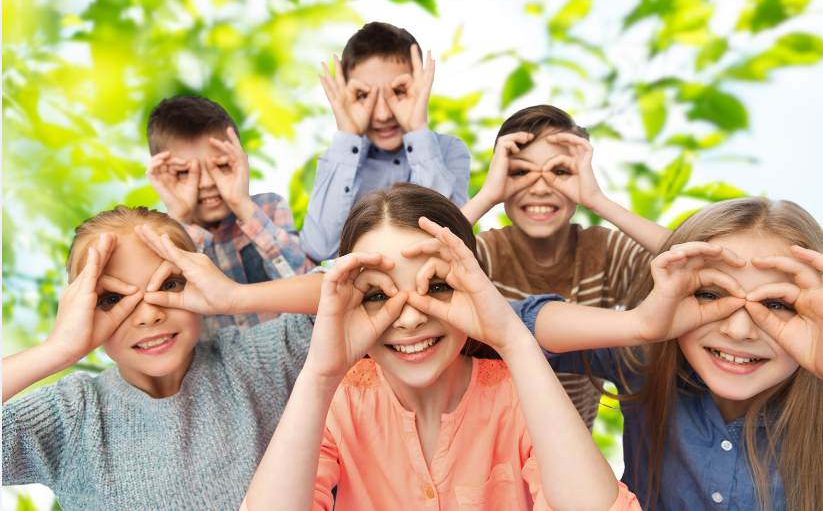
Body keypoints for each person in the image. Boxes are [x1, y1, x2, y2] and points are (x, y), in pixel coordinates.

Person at [241, 183, 642, 511]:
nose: (410, 318)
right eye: (378, 294)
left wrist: (513, 338)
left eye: (436, 287)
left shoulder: (517, 396)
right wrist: (319, 374)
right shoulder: (340, 403)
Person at [2, 206, 320, 510]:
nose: (149, 315)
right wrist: (56, 350)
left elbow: (358, 293)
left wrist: (237, 297)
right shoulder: (73, 416)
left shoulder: (252, 362)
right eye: (112, 299)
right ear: (81, 310)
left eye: (169, 284)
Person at [514, 197, 823, 511]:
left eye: (776, 304)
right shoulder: (646, 358)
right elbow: (503, 326)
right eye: (709, 294)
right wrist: (637, 325)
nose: (739, 330)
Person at [461, 104, 672, 430]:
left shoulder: (604, 251)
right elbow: (413, 262)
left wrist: (598, 201)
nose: (541, 186)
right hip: (489, 441)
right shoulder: (485, 253)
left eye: (559, 171)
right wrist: (486, 196)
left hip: (572, 445)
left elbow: (700, 259)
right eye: (520, 172)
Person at [300, 22, 471, 263]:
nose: (382, 114)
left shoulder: (450, 150)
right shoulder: (341, 159)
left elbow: (444, 241)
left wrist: (417, 129)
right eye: (363, 95)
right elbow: (319, 248)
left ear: (420, 86)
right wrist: (348, 133)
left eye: (398, 91)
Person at [146, 95, 314, 338]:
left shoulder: (269, 207)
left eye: (222, 166)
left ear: (240, 161)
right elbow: (164, 313)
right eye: (184, 172)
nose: (206, 183)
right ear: (161, 176)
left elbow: (312, 286)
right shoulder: (158, 239)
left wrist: (242, 205)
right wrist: (179, 219)